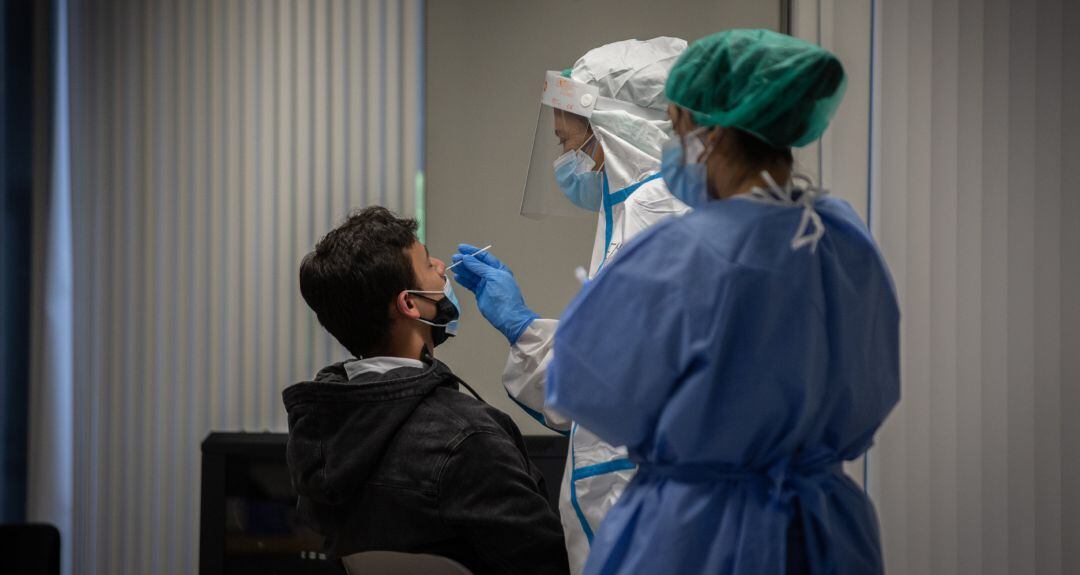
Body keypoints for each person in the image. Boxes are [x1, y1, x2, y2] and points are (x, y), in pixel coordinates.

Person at [545, 29, 900, 574]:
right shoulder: (843, 241)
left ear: (701, 132)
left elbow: (583, 388)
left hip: (696, 533)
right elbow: (874, 389)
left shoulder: (682, 252)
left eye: (676, 125)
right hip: (824, 531)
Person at [450, 37, 689, 574]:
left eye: (568, 142)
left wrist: (523, 329)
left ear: (618, 131)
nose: (564, 161)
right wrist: (526, 330)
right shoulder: (639, 215)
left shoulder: (658, 218)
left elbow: (606, 384)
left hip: (648, 516)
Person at [282, 207, 570, 575]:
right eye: (426, 262)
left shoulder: (319, 433)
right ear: (409, 303)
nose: (440, 266)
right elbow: (550, 565)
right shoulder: (468, 438)